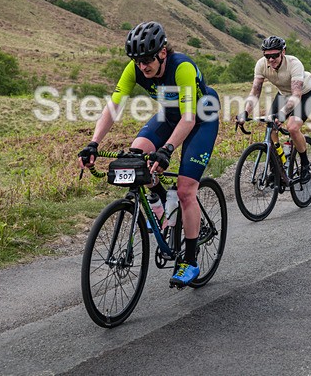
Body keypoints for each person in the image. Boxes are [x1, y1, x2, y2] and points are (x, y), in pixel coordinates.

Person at [78, 21, 219, 287]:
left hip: (201, 118)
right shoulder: (134, 69)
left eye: (147, 60)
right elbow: (113, 107)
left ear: (162, 52)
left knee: (187, 189)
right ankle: (164, 201)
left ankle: (189, 259)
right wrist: (94, 143)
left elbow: (188, 119)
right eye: (137, 60)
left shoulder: (182, 67)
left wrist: (167, 150)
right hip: (168, 115)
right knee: (136, 156)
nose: (142, 66)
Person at [238, 36, 311, 184]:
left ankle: (305, 164)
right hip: (283, 95)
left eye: (274, 55)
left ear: (283, 52)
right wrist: (245, 112)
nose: (271, 59)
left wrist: (282, 114)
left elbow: (296, 95)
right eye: (267, 56)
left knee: (292, 128)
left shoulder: (294, 64)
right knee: (270, 128)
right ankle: (278, 166)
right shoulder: (261, 65)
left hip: (304, 96)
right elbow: (255, 92)